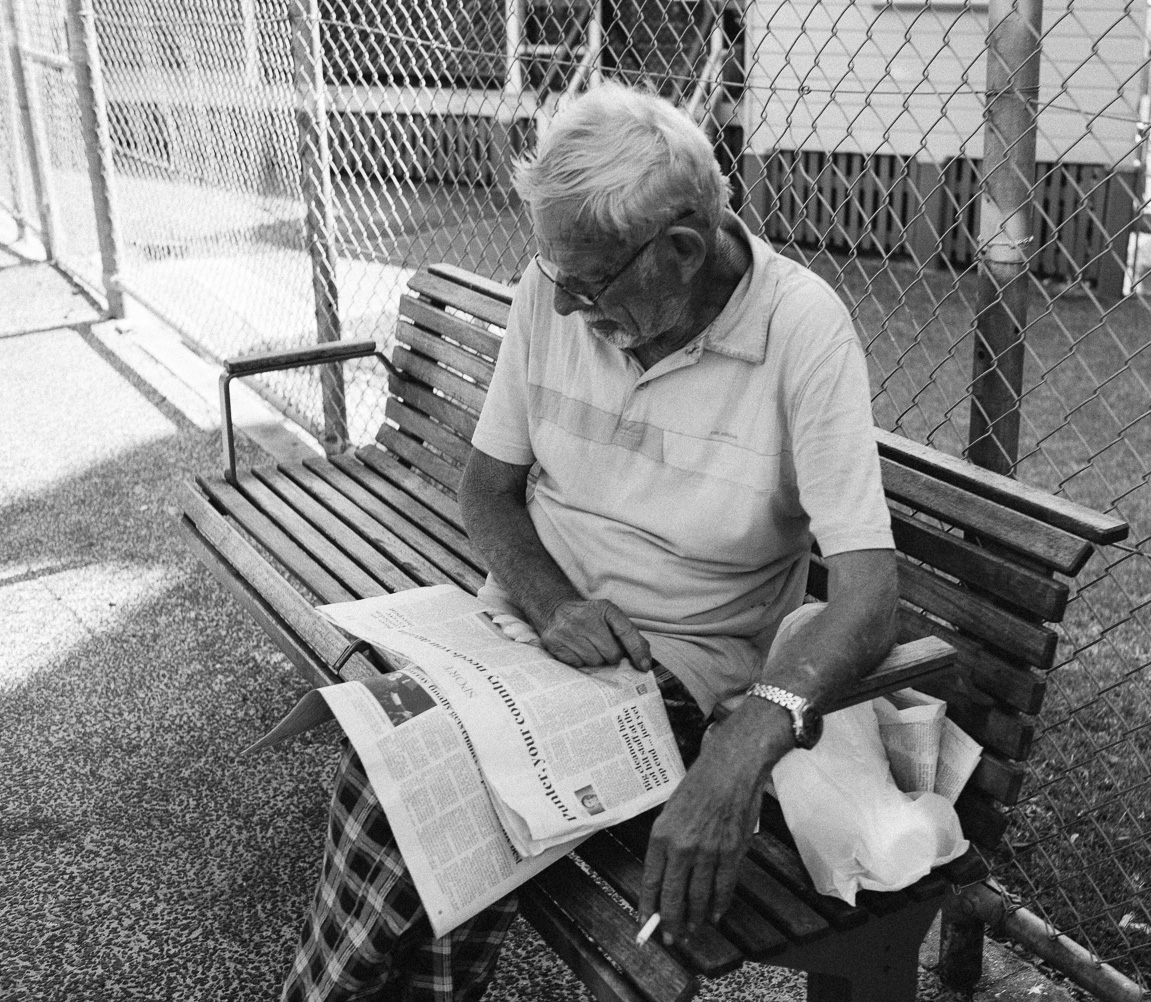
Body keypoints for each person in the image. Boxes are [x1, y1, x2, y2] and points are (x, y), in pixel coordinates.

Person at [282, 82, 898, 1002]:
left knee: (410, 787)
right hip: (524, 638)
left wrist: (745, 746)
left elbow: (867, 595)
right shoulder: (553, 285)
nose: (561, 305)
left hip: (673, 671)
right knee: (407, 766)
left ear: (682, 251)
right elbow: (487, 491)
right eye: (553, 276)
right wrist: (551, 603)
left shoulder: (801, 332)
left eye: (586, 284)